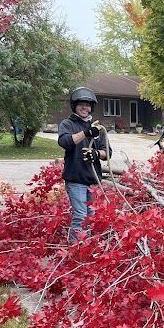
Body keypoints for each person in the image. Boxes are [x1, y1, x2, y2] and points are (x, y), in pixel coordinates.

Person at [57, 87, 109, 241]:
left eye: (87, 104)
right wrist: (86, 133)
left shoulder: (98, 128)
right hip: (75, 179)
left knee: (91, 216)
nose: (84, 107)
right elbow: (65, 142)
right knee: (80, 215)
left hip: (92, 180)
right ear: (75, 106)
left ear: (91, 107)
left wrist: (96, 154)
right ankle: (75, 248)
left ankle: (87, 245)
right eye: (81, 104)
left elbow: (107, 153)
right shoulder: (67, 124)